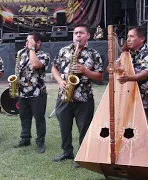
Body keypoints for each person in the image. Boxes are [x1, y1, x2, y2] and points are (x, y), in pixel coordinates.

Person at [51, 24, 103, 167]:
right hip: (64, 96)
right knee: (64, 126)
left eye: (81, 33)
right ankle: (67, 152)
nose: (78, 35)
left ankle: (83, 155)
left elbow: (99, 76)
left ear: (88, 36)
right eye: (75, 33)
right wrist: (61, 81)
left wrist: (85, 71)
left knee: (84, 128)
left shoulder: (94, 54)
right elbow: (54, 67)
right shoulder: (64, 50)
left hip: (84, 98)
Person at [12, 32, 50, 154]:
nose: (26, 44)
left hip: (38, 93)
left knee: (39, 119)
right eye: (27, 41)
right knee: (24, 118)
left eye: (30, 41)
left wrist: (32, 49)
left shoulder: (44, 55)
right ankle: (25, 138)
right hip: (23, 93)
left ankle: (40, 142)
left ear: (38, 43)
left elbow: (35, 64)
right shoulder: (21, 54)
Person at [116, 26, 148, 135]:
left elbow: (144, 74)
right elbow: (109, 69)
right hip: (131, 98)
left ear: (141, 39)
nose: (128, 39)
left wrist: (128, 78)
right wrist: (113, 66)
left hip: (147, 100)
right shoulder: (127, 54)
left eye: (132, 36)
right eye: (128, 36)